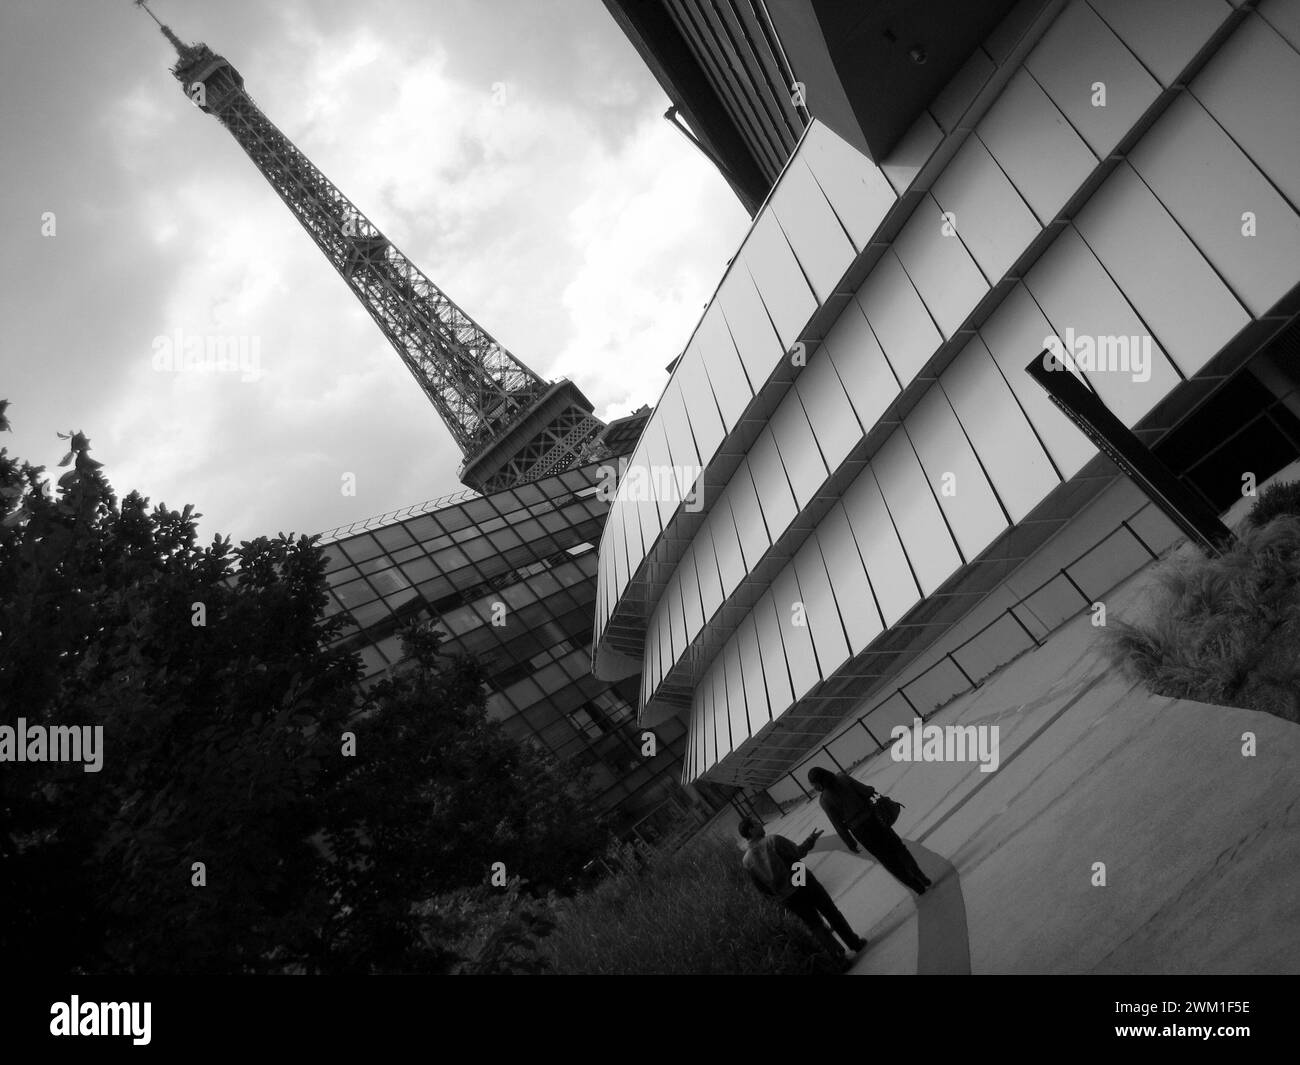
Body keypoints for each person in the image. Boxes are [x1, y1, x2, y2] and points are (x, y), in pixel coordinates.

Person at [738, 817, 867, 956]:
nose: (761, 824)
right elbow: (798, 852)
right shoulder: (773, 840)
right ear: (751, 830)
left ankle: (838, 957)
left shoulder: (746, 861)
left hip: (786, 895)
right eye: (757, 823)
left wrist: (779, 901)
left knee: (814, 925)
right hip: (802, 880)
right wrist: (811, 840)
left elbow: (762, 888)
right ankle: (854, 943)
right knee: (830, 911)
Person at [807, 767, 931, 895]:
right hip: (875, 819)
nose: (814, 788)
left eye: (813, 784)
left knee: (888, 860)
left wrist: (850, 843)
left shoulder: (825, 800)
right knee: (899, 848)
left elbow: (838, 825)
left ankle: (916, 886)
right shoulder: (843, 778)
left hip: (860, 831)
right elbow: (867, 791)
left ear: (818, 783)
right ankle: (920, 875)